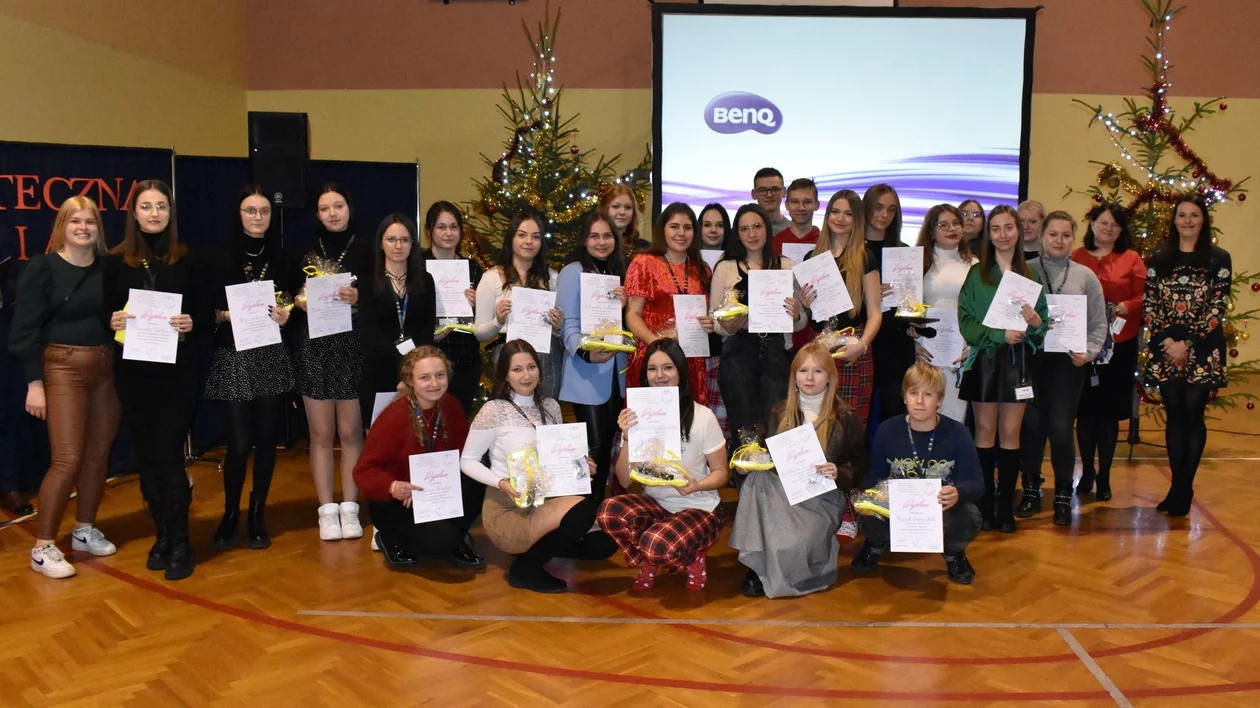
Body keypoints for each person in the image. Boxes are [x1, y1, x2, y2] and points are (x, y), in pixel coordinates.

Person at [9, 196, 120, 579]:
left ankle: (84, 529)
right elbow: (23, 331)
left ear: (98, 229)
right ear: (62, 226)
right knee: (66, 460)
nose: (83, 228)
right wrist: (34, 383)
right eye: (75, 221)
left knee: (97, 455)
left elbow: (112, 317)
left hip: (105, 369)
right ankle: (42, 547)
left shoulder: (109, 268)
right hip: (61, 369)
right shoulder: (42, 267)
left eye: (90, 221)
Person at [102, 180, 207, 580]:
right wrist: (111, 320)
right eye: (146, 206)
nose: (154, 213)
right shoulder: (115, 261)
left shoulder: (188, 259)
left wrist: (193, 322)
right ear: (134, 213)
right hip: (134, 374)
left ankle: (181, 541)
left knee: (168, 454)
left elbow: (205, 313)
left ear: (170, 212)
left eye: (161, 206)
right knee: (146, 456)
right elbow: (104, 312)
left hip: (177, 374)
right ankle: (162, 533)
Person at [460, 339, 612, 593]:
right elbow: (467, 461)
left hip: (545, 499)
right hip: (509, 506)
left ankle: (538, 549)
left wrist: (580, 465)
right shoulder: (494, 410)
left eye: (531, 367)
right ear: (505, 375)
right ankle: (525, 569)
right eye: (517, 369)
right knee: (584, 511)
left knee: (603, 544)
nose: (526, 375)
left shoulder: (551, 407)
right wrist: (500, 482)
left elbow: (557, 457)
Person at [731, 342, 866, 598]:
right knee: (756, 479)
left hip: (822, 499)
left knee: (791, 543)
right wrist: (748, 463)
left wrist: (839, 472)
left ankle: (773, 566)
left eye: (818, 371)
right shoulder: (779, 412)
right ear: (794, 377)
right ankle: (756, 565)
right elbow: (768, 456)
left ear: (830, 377)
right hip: (782, 493)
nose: (810, 378)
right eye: (803, 371)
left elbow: (860, 466)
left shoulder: (846, 416)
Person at [599, 338, 729, 591]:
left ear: (680, 372)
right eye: (652, 369)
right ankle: (649, 559)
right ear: (645, 375)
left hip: (699, 507)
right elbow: (624, 480)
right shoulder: (637, 416)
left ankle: (691, 557)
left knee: (656, 544)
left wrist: (697, 485)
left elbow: (722, 473)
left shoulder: (703, 416)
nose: (659, 376)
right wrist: (627, 437)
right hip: (657, 505)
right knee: (608, 512)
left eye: (668, 367)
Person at [204, 186, 294, 552]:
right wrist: (225, 315)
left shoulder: (282, 257)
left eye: (264, 211)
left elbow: (291, 300)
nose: (258, 217)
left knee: (267, 439)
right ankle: (230, 513)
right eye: (250, 210)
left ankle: (257, 512)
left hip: (270, 353)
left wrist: (287, 314)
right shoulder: (218, 255)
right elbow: (203, 309)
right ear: (238, 214)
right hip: (235, 355)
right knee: (239, 443)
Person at [957, 205, 1047, 533]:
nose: (1003, 234)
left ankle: (1005, 507)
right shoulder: (976, 275)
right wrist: (999, 335)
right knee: (984, 433)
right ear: (989, 234)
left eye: (1009, 227)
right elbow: (966, 322)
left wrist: (1035, 324)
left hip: (1017, 364)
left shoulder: (1030, 276)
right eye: (996, 229)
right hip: (984, 362)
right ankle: (984, 507)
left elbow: (1042, 323)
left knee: (1011, 434)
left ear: (1018, 231)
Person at [850, 363, 982, 585]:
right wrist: (870, 494)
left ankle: (954, 553)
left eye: (928, 394)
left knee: (970, 515)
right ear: (904, 397)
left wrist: (958, 491)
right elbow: (874, 475)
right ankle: (875, 544)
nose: (919, 401)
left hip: (939, 508)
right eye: (913, 393)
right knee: (868, 513)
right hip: (895, 507)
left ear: (940, 399)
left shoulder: (958, 433)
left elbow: (976, 482)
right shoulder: (887, 430)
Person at [290, 183, 371, 541]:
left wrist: (360, 297)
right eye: (325, 208)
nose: (332, 213)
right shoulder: (303, 250)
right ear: (317, 214)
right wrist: (297, 301)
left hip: (353, 347)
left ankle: (350, 507)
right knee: (321, 433)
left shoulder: (368, 249)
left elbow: (381, 296)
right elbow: (286, 298)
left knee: (351, 431)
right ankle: (326, 510)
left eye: (338, 205)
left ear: (349, 207)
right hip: (314, 347)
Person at [354, 346, 484, 569]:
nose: (434, 383)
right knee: (440, 543)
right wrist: (394, 486)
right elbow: (363, 471)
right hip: (400, 501)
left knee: (477, 475)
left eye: (440, 375)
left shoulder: (451, 406)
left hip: (438, 494)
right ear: (410, 381)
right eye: (424, 377)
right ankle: (390, 536)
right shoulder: (394, 415)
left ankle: (458, 536)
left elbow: (463, 454)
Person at [1143, 196, 1231, 518]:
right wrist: (1168, 342)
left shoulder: (1219, 258)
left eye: (1194, 215)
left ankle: (1183, 488)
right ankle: (1178, 487)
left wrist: (1188, 344)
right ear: (1174, 220)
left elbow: (1217, 307)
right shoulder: (1159, 259)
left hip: (1203, 348)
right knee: (1175, 414)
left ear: (1203, 220)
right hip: (1167, 347)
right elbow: (1150, 304)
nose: (1188, 221)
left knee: (1193, 415)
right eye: (1182, 215)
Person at [1021, 212, 1107, 525]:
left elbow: (1098, 323)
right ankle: (1030, 489)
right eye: (1053, 234)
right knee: (1031, 427)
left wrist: (1089, 352)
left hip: (1068, 364)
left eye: (1066, 235)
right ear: (1042, 236)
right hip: (1031, 360)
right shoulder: (1025, 272)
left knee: (1060, 428)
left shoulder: (1086, 276)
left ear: (1074, 238)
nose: (1059, 241)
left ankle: (1061, 493)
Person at [711, 204, 805, 441]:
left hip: (777, 354)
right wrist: (727, 327)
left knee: (778, 428)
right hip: (738, 355)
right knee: (744, 430)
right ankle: (744, 468)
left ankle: (774, 468)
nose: (751, 234)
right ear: (737, 233)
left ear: (767, 229)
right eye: (744, 229)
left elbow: (800, 322)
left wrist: (796, 315)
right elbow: (714, 318)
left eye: (757, 226)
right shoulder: (725, 267)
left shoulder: (787, 266)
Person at [1072, 203, 1145, 501]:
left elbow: (1143, 295)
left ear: (1122, 230)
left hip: (1119, 345)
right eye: (1103, 222)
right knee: (1085, 412)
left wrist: (1125, 307)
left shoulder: (1132, 259)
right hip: (1082, 345)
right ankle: (1087, 472)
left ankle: (1105, 476)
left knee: (1108, 414)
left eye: (1115, 224)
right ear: (1092, 224)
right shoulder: (1076, 257)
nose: (1109, 229)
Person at [557, 211, 628, 501]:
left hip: (615, 373)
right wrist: (586, 354)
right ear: (584, 240)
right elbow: (567, 324)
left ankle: (596, 508)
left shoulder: (618, 271)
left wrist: (623, 306)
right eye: (594, 236)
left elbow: (619, 325)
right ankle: (584, 510)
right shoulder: (572, 271)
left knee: (606, 445)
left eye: (607, 235)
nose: (601, 242)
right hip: (585, 370)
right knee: (593, 449)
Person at [623, 202, 715, 403]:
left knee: (689, 416)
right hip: (653, 356)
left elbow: (707, 314)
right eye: (674, 226)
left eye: (687, 227)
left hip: (691, 358)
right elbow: (632, 314)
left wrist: (710, 323)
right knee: (652, 416)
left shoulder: (702, 268)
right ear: (662, 230)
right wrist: (658, 345)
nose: (681, 233)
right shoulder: (644, 263)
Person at [803, 190, 882, 422]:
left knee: (851, 423)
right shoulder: (811, 258)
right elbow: (809, 314)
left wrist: (861, 346)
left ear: (857, 220)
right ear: (827, 215)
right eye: (835, 212)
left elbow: (875, 313)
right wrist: (805, 304)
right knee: (815, 420)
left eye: (848, 214)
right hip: (818, 346)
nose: (840, 218)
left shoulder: (865, 257)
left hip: (852, 348)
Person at [473, 210, 564, 400]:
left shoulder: (553, 278)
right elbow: (480, 334)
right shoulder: (491, 278)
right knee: (510, 413)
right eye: (522, 235)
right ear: (511, 239)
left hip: (547, 357)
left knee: (547, 412)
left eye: (536, 237)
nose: (529, 241)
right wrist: (498, 321)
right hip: (508, 356)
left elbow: (563, 331)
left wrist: (557, 328)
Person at [358, 214, 436, 429]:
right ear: (381, 244)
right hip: (378, 373)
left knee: (417, 438)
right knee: (380, 439)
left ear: (413, 244)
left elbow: (427, 329)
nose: (398, 246)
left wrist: (410, 374)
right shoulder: (366, 282)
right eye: (391, 239)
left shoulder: (426, 280)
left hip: (418, 375)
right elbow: (370, 333)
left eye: (405, 239)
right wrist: (401, 371)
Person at [912, 204, 976, 423]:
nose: (952, 229)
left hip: (960, 353)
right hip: (925, 352)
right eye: (944, 225)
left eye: (957, 223)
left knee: (954, 417)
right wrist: (913, 342)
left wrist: (973, 345)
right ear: (931, 231)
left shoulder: (975, 265)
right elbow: (906, 310)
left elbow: (982, 313)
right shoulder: (916, 263)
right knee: (923, 413)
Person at [418, 201, 482, 416]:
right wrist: (429, 334)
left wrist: (478, 304)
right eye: (441, 227)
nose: (448, 233)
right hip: (428, 356)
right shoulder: (416, 266)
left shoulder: (473, 268)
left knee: (458, 420)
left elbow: (484, 320)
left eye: (454, 227)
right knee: (428, 421)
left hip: (465, 358)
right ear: (429, 231)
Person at [864, 184, 915, 425]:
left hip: (896, 343)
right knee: (857, 418)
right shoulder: (854, 252)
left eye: (891, 210)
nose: (884, 215)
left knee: (895, 414)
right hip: (864, 341)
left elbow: (913, 304)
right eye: (878, 208)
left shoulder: (904, 252)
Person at [697, 203, 731, 439]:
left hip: (723, 351)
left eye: (719, 225)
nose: (713, 230)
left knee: (720, 421)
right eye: (707, 225)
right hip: (693, 351)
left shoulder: (735, 263)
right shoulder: (688, 262)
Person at [773, 178, 820, 254]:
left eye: (807, 202)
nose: (801, 207)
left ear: (817, 205)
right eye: (795, 202)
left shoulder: (827, 242)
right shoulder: (774, 243)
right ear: (787, 205)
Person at [600, 183, 647, 255]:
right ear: (605, 209)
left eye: (628, 207)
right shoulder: (595, 246)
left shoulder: (645, 248)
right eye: (616, 206)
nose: (622, 212)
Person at [751, 167, 791, 235]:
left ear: (784, 192)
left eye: (775, 189)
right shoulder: (742, 231)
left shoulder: (795, 231)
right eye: (763, 190)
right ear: (754, 194)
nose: (769, 195)